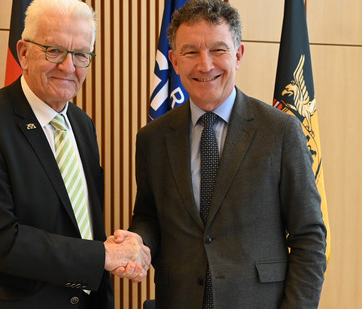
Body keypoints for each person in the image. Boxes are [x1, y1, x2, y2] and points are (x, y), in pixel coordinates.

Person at [116, 0, 327, 308]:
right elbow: (149, 216)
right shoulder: (152, 138)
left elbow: (309, 236)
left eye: (218, 50)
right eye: (191, 52)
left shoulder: (281, 131)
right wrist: (138, 241)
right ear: (174, 61)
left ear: (238, 55)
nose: (205, 65)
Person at [0, 0, 150, 308]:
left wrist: (123, 248)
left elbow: (81, 226)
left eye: (81, 54)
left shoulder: (82, 125)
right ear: (24, 53)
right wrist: (104, 255)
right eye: (54, 51)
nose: (68, 67)